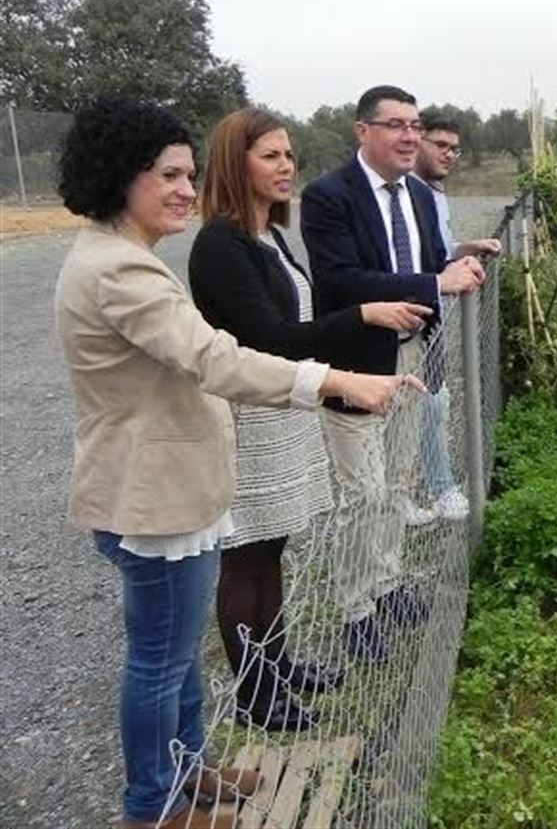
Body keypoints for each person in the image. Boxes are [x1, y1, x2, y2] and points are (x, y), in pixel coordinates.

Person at [54, 96, 415, 829]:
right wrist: (337, 380)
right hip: (152, 496)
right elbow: (217, 357)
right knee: (159, 660)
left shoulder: (122, 258)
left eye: (188, 175)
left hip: (165, 489)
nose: (184, 190)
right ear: (119, 176)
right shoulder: (120, 271)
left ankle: (189, 769)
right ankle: (153, 805)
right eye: (167, 175)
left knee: (177, 654)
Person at [188, 108, 433, 732]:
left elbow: (289, 331)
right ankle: (256, 693)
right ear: (234, 163)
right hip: (250, 418)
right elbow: (270, 338)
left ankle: (279, 664)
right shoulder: (220, 245)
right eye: (270, 156)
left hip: (283, 411)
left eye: (289, 155)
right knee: (246, 557)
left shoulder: (267, 236)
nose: (286, 167)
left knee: (272, 549)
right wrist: (362, 316)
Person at [300, 85, 485, 663]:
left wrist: (457, 265)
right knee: (364, 490)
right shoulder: (329, 197)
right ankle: (356, 610)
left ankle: (387, 583)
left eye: (415, 125)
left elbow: (429, 264)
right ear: (363, 131)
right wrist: (435, 283)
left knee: (398, 480)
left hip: (411, 356)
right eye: (396, 125)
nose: (409, 137)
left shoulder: (420, 197)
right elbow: (340, 280)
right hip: (357, 363)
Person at [409, 115, 503, 521]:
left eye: (454, 148)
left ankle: (429, 488)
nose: (449, 154)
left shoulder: (434, 192)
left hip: (433, 313)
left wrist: (468, 247)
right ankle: (438, 488)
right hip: (412, 314)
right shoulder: (407, 194)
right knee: (426, 404)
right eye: (440, 145)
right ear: (418, 142)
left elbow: (438, 253)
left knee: (434, 401)